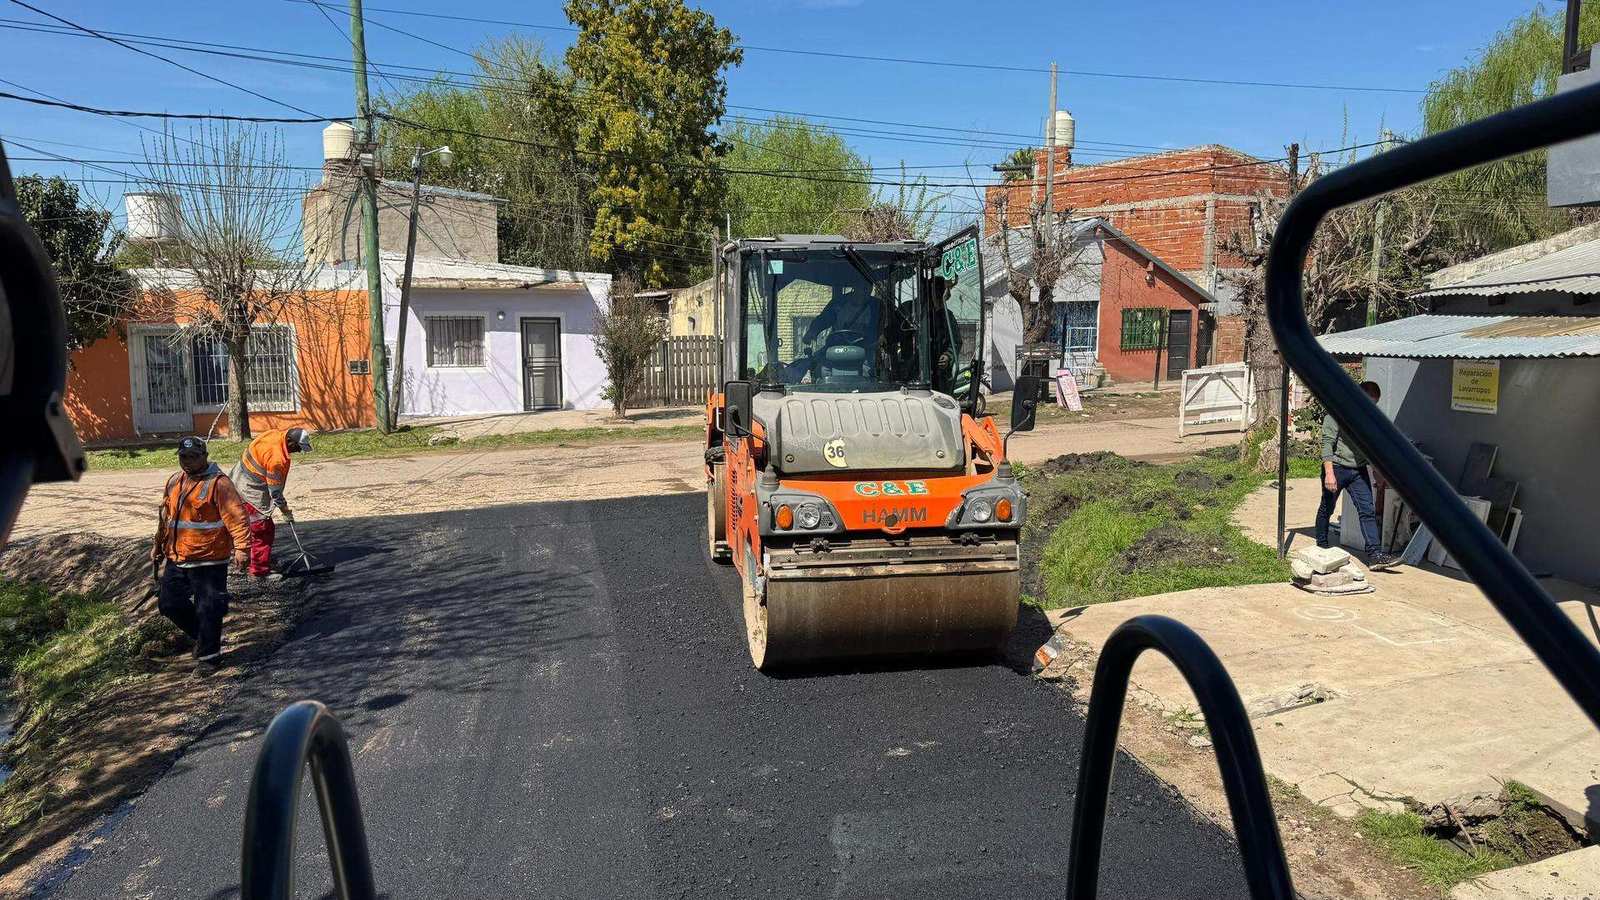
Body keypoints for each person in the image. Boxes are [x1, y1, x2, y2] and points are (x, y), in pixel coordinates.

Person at [154, 436, 251, 668]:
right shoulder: (174, 481)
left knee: (209, 607)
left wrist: (242, 548)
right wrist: (157, 546)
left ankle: (210, 658)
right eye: (183, 457)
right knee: (169, 603)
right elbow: (165, 518)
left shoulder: (219, 484)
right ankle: (203, 636)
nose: (187, 461)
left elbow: (237, 518)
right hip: (177, 557)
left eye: (193, 457)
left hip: (209, 559)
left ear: (204, 457)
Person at [1315, 381, 1398, 568]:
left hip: (1358, 470)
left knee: (1367, 510)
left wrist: (1377, 472)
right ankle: (1321, 545)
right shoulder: (1337, 413)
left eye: (1374, 404)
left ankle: (1375, 555)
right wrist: (1329, 474)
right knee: (1327, 507)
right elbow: (1327, 444)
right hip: (1336, 467)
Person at [229, 427, 313, 578]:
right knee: (262, 530)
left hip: (236, 479)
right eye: (298, 448)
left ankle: (244, 559)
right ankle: (259, 571)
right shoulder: (277, 459)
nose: (299, 452)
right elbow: (275, 492)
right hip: (249, 491)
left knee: (242, 526)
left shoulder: (274, 434)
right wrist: (285, 511)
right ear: (289, 441)